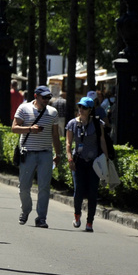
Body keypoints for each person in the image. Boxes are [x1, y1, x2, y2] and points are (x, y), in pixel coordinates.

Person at [13, 85, 61, 228]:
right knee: (24, 187)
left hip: (45, 153)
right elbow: (14, 128)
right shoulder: (24, 109)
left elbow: (55, 134)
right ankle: (26, 210)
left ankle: (41, 217)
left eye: (48, 97)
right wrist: (30, 129)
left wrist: (58, 154)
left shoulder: (53, 112)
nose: (47, 100)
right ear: (36, 96)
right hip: (28, 152)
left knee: (44, 187)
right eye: (44, 97)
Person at [65, 96, 109, 232]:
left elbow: (102, 140)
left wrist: (106, 159)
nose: (81, 110)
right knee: (78, 191)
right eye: (79, 107)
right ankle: (77, 215)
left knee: (92, 192)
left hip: (94, 163)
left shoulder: (97, 123)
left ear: (90, 110)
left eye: (84, 108)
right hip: (78, 161)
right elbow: (68, 143)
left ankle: (90, 222)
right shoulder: (72, 123)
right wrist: (70, 158)